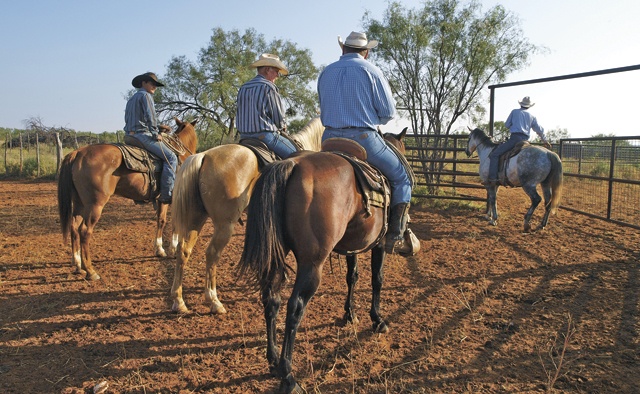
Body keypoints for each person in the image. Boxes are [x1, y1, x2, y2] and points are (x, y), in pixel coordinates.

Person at [317, 31, 419, 256]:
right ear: (367, 51)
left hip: (329, 140)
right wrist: (373, 118)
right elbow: (388, 112)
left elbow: (322, 105)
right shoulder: (371, 70)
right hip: (363, 139)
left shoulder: (326, 72)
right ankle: (396, 234)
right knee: (404, 177)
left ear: (343, 49)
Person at [124, 72, 177, 204]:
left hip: (129, 136)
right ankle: (166, 194)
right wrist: (155, 132)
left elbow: (134, 119)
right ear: (143, 83)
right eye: (152, 83)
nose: (154, 86)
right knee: (171, 157)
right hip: (142, 136)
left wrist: (158, 126)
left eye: (155, 84)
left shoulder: (132, 99)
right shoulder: (146, 96)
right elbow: (150, 116)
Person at [236, 53, 298, 159]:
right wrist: (283, 126)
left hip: (244, 137)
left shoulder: (243, 87)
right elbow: (278, 116)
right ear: (267, 70)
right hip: (265, 137)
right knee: (298, 156)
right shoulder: (268, 87)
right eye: (276, 71)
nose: (277, 75)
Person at [488, 96, 552, 184]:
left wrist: (513, 125)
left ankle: (492, 179)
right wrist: (544, 140)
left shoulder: (514, 112)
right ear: (529, 106)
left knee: (494, 154)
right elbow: (539, 130)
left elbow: (507, 125)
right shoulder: (532, 116)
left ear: (521, 104)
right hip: (526, 141)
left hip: (515, 139)